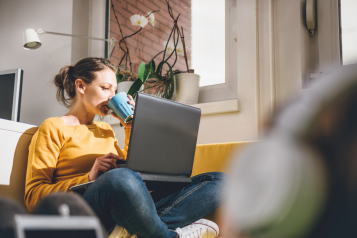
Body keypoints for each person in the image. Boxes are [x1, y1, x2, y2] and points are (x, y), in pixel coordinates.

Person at [24, 57, 228, 238]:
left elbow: (133, 175)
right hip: (86, 208)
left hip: (122, 207)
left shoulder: (105, 129)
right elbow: (33, 196)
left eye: (114, 90)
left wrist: (131, 127)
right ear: (81, 86)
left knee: (220, 181)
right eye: (105, 88)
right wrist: (88, 178)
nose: (111, 96)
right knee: (119, 179)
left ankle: (135, 230)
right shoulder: (53, 127)